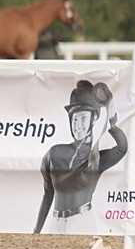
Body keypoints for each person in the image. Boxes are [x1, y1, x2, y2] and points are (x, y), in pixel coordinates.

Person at [33, 80, 127, 234]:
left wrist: (111, 116)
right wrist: (37, 230)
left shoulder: (96, 159)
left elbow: (122, 148)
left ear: (94, 118)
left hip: (82, 222)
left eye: (83, 118)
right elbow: (48, 194)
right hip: (56, 223)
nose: (77, 125)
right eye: (74, 119)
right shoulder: (53, 153)